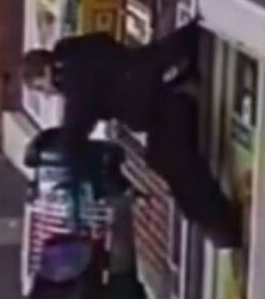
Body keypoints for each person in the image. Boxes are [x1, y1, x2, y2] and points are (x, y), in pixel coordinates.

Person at [21, 23, 241, 248]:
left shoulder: (74, 80)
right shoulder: (75, 51)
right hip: (163, 66)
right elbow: (104, 39)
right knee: (164, 158)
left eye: (41, 88)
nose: (48, 95)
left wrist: (59, 150)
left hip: (162, 100)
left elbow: (75, 131)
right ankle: (217, 224)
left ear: (46, 73)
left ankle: (221, 225)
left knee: (172, 162)